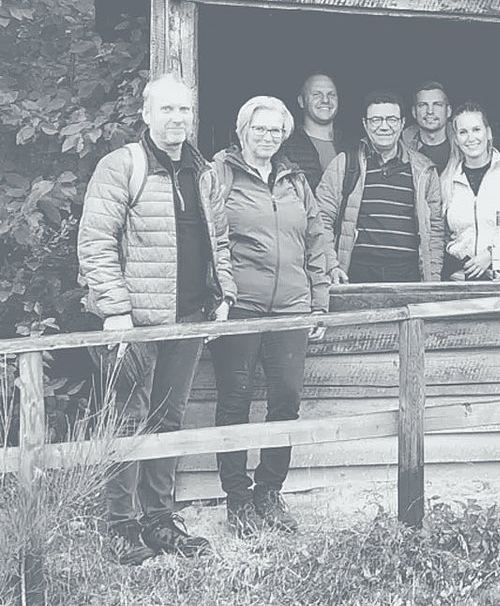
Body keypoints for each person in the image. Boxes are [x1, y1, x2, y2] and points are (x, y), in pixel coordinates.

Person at [77, 75, 235, 565]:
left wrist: (223, 293)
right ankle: (121, 526)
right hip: (136, 324)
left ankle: (160, 520)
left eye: (184, 111)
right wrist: (116, 310)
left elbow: (219, 242)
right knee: (125, 418)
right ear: (145, 115)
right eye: (166, 110)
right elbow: (96, 242)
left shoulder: (203, 172)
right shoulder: (123, 165)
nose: (177, 119)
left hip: (187, 319)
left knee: (168, 420)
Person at [210, 96, 331, 537]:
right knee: (235, 401)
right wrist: (218, 292)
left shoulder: (294, 180)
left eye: (275, 130)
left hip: (291, 308)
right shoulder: (220, 174)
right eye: (258, 129)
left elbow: (316, 240)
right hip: (241, 305)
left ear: (284, 135)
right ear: (242, 131)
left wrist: (320, 301)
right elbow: (209, 237)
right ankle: (237, 499)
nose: (267, 137)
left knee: (285, 400)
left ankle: (269, 492)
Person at [316, 91, 445, 284]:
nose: (384, 126)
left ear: (402, 123)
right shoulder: (344, 164)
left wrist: (432, 280)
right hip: (355, 274)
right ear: (365, 124)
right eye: (376, 120)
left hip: (408, 276)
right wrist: (331, 266)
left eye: (391, 119)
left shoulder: (424, 170)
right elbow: (321, 219)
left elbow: (435, 230)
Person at [440, 102, 500, 280]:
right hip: (459, 276)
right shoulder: (447, 181)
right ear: (456, 139)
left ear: (488, 133)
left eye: (476, 129)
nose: (470, 138)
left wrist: (491, 255)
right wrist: (457, 267)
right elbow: (441, 234)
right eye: (463, 132)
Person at [281, 72, 349, 190]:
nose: (325, 100)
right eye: (317, 94)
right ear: (301, 101)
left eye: (331, 94)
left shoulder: (353, 145)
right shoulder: (286, 146)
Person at [400, 80, 453, 173]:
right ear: (414, 112)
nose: (430, 111)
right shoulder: (401, 149)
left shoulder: (463, 145)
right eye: (422, 105)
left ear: (448, 111)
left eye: (437, 104)